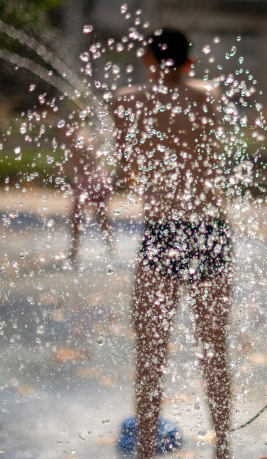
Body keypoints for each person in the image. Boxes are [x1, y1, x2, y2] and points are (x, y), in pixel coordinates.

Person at [111, 28, 233, 459]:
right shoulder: (209, 96)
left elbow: (128, 171)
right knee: (214, 351)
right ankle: (225, 452)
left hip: (163, 233)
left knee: (150, 355)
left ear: (146, 59)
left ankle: (145, 452)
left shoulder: (125, 103)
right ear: (189, 62)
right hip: (209, 231)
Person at [60, 120, 115, 266]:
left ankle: (74, 251)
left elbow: (76, 164)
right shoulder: (87, 137)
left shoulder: (76, 141)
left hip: (87, 182)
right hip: (100, 179)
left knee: (76, 217)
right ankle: (110, 248)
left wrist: (62, 170)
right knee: (101, 216)